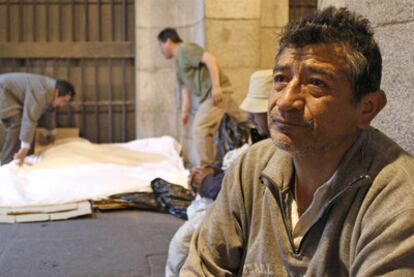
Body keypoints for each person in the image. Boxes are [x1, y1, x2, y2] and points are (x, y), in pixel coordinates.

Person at [181, 7, 414, 276]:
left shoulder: (396, 200)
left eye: (316, 83)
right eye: (281, 79)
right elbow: (202, 266)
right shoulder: (253, 165)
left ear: (368, 108)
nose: (285, 101)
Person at [165, 70, 273, 277]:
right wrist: (211, 171)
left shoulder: (272, 148)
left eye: (255, 110)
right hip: (229, 198)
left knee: (183, 243)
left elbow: (242, 184)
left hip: (245, 211)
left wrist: (204, 182)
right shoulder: (257, 141)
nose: (250, 115)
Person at [157, 28, 244, 167]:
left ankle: (206, 169)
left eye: (160, 45)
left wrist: (216, 86)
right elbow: (185, 89)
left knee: (200, 129)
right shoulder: (178, 61)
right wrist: (184, 112)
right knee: (245, 123)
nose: (161, 50)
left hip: (216, 94)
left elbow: (210, 59)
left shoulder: (185, 49)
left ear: (167, 41)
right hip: (211, 95)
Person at [0, 73, 75, 165]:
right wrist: (24, 147)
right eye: (64, 101)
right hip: (3, 90)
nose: (62, 105)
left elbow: (50, 111)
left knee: (29, 126)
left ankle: (27, 157)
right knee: (16, 124)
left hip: (9, 93)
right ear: (57, 93)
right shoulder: (41, 91)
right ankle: (6, 164)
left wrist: (52, 132)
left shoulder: (50, 91)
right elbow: (30, 117)